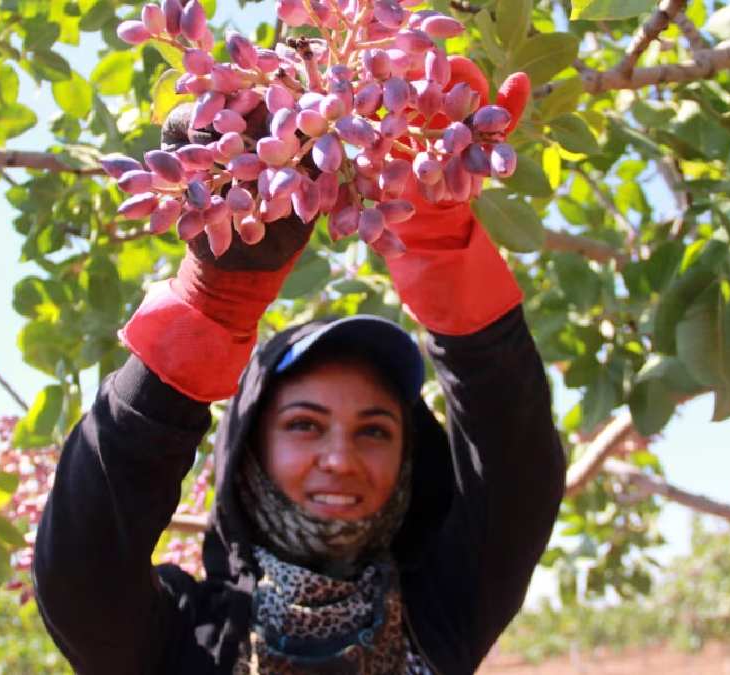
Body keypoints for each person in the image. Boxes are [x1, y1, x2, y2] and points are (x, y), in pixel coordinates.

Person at [33, 59, 566, 674]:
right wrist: (210, 307)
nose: (340, 459)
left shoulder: (441, 606)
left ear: (408, 458)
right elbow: (80, 571)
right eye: (305, 425)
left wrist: (439, 241)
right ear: (250, 449)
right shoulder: (184, 638)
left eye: (374, 430)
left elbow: (516, 467)